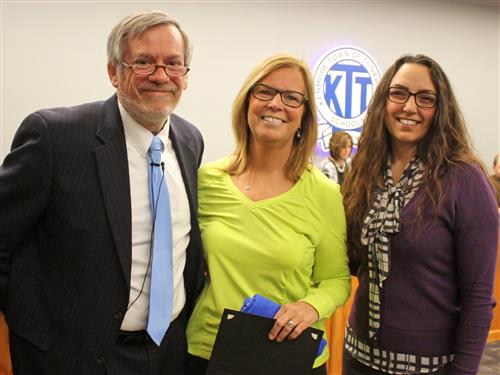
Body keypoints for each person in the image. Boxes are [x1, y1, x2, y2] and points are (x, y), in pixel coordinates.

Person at [0, 10, 206, 375]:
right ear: (114, 72)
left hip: (167, 354)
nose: (161, 76)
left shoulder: (190, 141)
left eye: (173, 63)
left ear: (185, 76)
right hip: (68, 358)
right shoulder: (55, 136)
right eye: (143, 62)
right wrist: (24, 326)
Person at [185, 53, 351, 374]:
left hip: (287, 356)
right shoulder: (206, 180)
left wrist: (310, 307)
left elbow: (335, 279)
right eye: (265, 91)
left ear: (304, 116)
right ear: (248, 102)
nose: (276, 104)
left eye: (292, 97)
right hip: (206, 352)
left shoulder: (323, 193)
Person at [341, 54, 499, 375]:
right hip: (358, 357)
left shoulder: (464, 179)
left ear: (441, 110)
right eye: (398, 93)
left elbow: (479, 298)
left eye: (425, 98)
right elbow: (356, 260)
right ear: (383, 101)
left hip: (429, 367)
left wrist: (463, 370)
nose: (409, 107)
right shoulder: (366, 170)